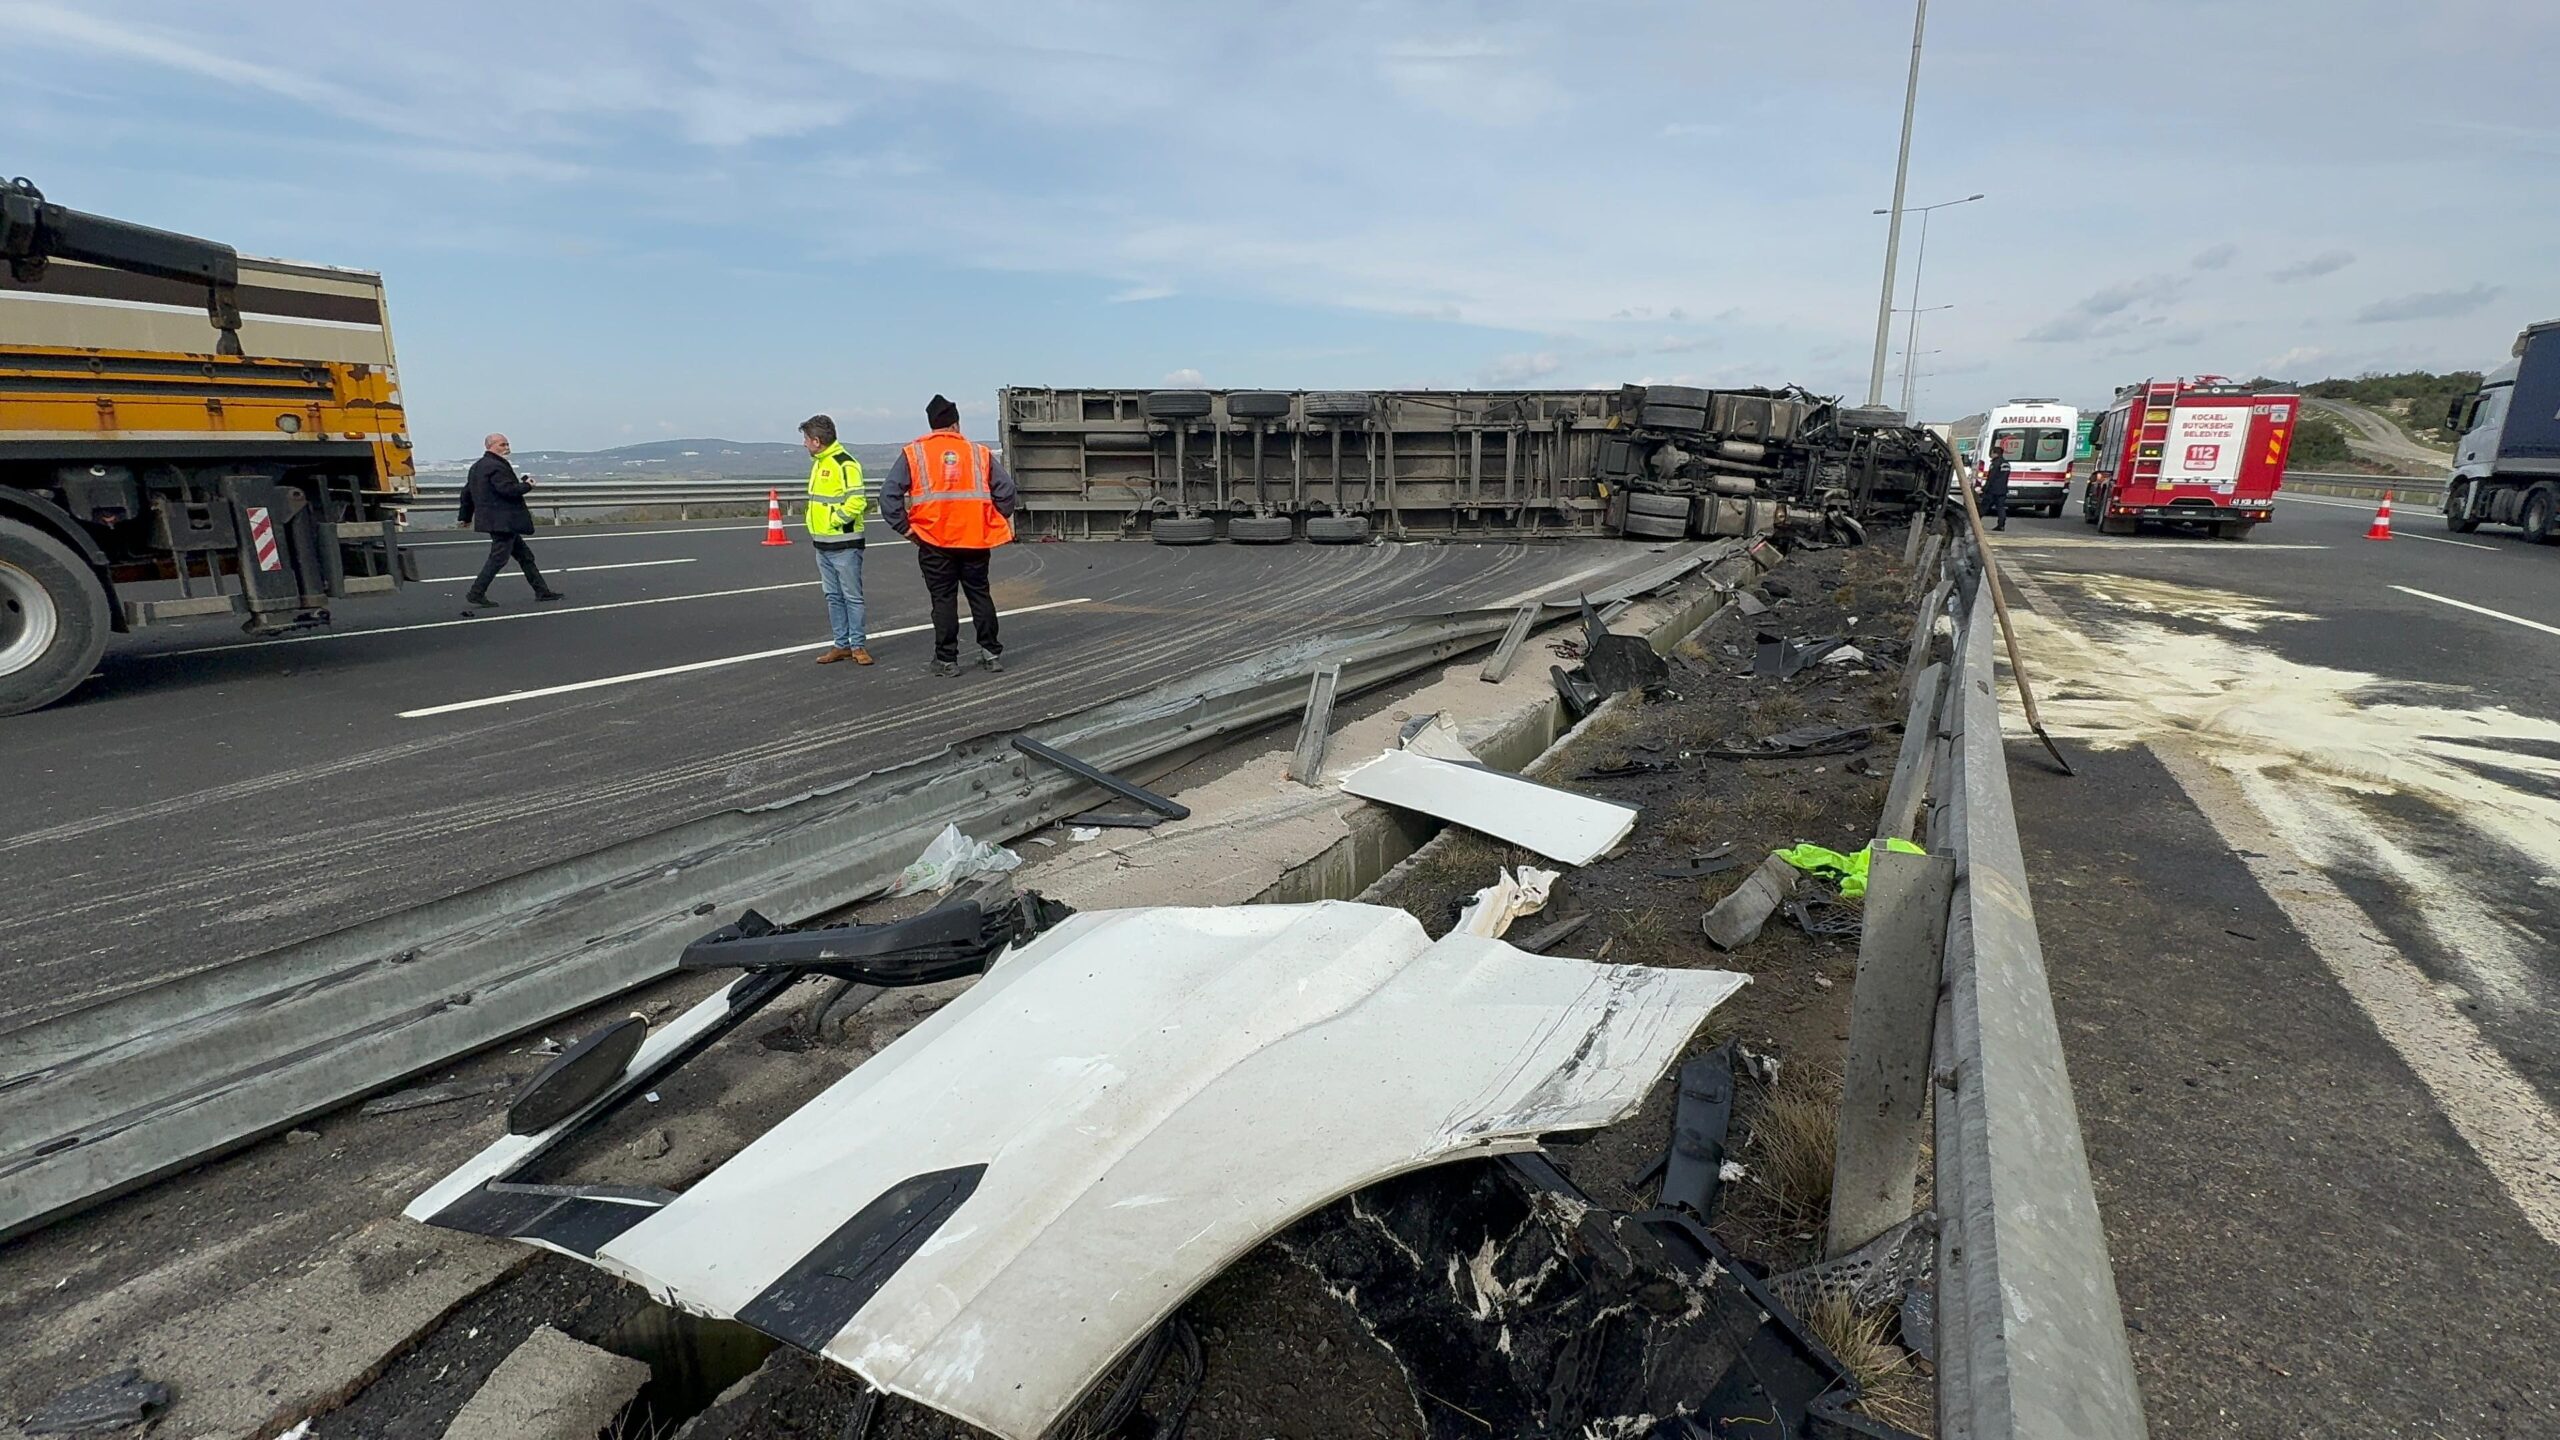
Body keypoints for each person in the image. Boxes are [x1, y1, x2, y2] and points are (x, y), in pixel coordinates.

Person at [881, 394, 1018, 676]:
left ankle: (947, 660)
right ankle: (991, 653)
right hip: (975, 539)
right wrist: (992, 519)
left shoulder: (914, 453)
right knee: (980, 595)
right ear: (956, 424)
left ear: (932, 425)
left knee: (943, 600)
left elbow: (888, 496)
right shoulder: (978, 453)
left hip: (932, 540)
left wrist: (906, 528)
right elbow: (1006, 492)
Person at [799, 414, 873, 665]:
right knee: (833, 596)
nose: (804, 444)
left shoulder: (845, 463)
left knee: (852, 596)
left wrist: (834, 520)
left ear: (817, 441)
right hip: (822, 544)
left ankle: (858, 646)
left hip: (844, 544)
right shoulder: (819, 463)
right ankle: (841, 645)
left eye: (806, 439)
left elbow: (857, 501)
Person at [462, 433, 561, 606]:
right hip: (503, 521)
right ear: (490, 446)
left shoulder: (478, 466)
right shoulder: (497, 466)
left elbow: (467, 493)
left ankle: (542, 591)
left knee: (525, 556)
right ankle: (476, 592)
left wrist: (465, 516)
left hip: (496, 520)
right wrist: (527, 485)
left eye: (507, 444)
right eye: (502, 444)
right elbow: (507, 490)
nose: (507, 447)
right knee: (498, 558)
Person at [1981, 447, 2013, 531]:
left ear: (1995, 453)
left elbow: (1991, 478)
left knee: (1984, 507)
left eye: (1991, 453)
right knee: (2000, 508)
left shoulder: (1995, 464)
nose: (1991, 455)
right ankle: (2001, 525)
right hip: (2002, 489)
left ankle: (1974, 523)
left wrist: (1984, 489)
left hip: (1992, 490)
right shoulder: (2006, 464)